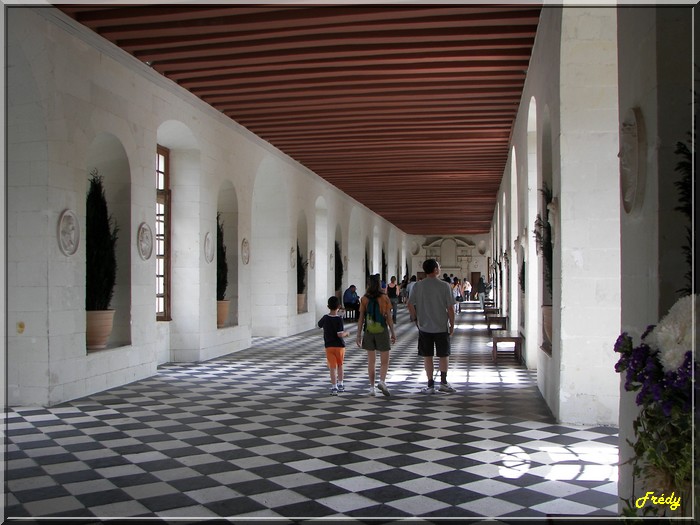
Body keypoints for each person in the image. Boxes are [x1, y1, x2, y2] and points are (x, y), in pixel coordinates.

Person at [407, 259, 456, 394]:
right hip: (441, 326)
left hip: (424, 327)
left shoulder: (418, 286)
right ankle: (444, 383)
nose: (440, 268)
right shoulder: (445, 286)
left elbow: (409, 304)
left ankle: (430, 385)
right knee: (443, 354)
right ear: (435, 269)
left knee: (427, 356)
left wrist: (415, 318)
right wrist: (452, 324)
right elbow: (450, 308)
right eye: (439, 266)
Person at [356, 274, 396, 396]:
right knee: (384, 361)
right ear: (379, 284)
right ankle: (382, 381)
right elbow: (389, 317)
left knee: (371, 361)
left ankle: (372, 388)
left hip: (368, 332)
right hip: (382, 330)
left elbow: (361, 318)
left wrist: (358, 335)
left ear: (368, 284)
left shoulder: (364, 299)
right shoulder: (384, 298)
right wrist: (393, 333)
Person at [318, 296, 350, 396]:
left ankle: (334, 387)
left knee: (332, 367)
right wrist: (346, 333)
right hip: (340, 346)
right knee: (340, 365)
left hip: (329, 346)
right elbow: (340, 334)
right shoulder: (339, 319)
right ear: (339, 306)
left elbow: (319, 325)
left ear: (328, 306)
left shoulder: (325, 318)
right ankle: (341, 384)